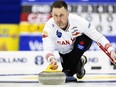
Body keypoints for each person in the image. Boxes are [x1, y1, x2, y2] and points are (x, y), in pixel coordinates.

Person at [42, 1, 116, 82]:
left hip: (78, 46)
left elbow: (98, 37)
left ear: (67, 13)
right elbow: (47, 48)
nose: (58, 19)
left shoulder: (79, 21)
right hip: (64, 53)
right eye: (55, 15)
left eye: (61, 15)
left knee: (85, 39)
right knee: (69, 69)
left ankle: (69, 70)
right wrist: (51, 59)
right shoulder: (48, 27)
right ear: (52, 14)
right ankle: (80, 63)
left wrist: (111, 51)